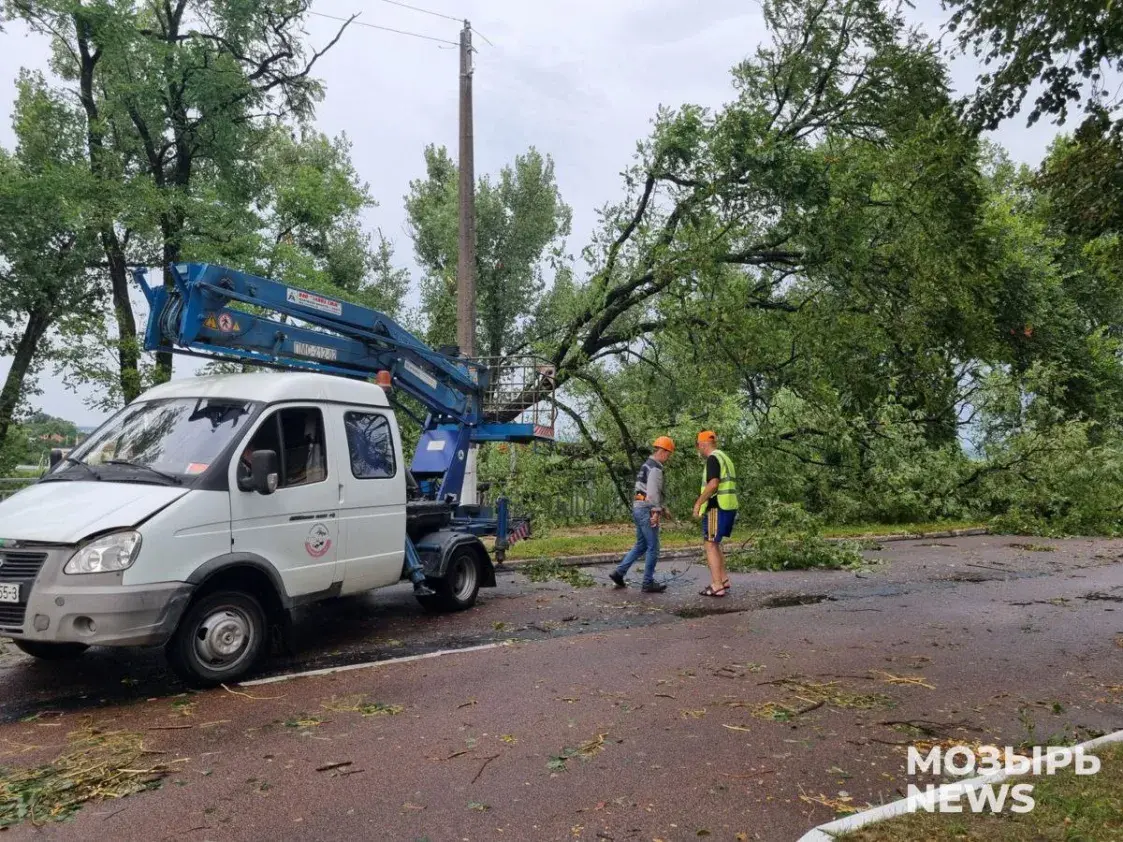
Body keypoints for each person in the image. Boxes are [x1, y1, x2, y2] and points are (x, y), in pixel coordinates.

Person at [610, 436, 675, 593]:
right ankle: (647, 582)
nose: (669, 457)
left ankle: (619, 573)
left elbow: (645, 492)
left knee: (641, 545)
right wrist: (656, 513)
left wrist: (662, 507)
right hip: (646, 510)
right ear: (662, 451)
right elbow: (652, 495)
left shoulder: (646, 465)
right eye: (669, 454)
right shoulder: (655, 468)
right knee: (653, 547)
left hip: (638, 508)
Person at [692, 430, 737, 597]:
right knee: (715, 543)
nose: (699, 450)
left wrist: (698, 503)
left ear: (703, 444)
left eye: (699, 446)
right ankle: (723, 579)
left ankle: (717, 585)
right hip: (728, 506)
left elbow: (713, 484)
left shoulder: (712, 459)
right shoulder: (725, 457)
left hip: (715, 507)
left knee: (710, 544)